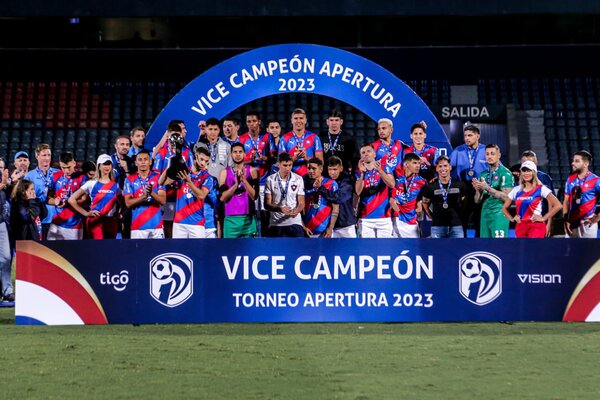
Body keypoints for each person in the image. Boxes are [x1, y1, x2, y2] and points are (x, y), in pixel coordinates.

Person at [496, 161, 562, 238]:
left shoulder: (541, 189)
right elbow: (504, 208)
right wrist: (512, 218)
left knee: (533, 249)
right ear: (521, 173)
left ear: (534, 172)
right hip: (520, 226)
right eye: (524, 171)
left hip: (536, 226)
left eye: (529, 170)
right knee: (522, 250)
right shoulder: (516, 190)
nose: (526, 173)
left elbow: (558, 205)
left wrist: (544, 218)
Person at [160, 147, 213, 239]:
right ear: (196, 156)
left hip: (197, 223)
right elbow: (162, 182)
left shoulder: (207, 177)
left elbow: (201, 195)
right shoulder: (183, 171)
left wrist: (188, 181)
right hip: (179, 222)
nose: (203, 163)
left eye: (206, 161)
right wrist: (169, 165)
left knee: (198, 252)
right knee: (178, 252)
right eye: (201, 159)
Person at [153, 124, 194, 238]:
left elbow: (191, 173)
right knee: (167, 226)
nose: (174, 139)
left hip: (183, 195)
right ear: (167, 136)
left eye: (177, 136)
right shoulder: (161, 154)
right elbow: (156, 175)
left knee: (182, 226)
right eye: (172, 136)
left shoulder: (187, 153)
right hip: (167, 195)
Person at [68, 154, 121, 239]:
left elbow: (123, 203)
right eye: (104, 164)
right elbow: (71, 199)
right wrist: (86, 213)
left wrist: (120, 213)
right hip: (95, 221)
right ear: (99, 166)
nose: (107, 166)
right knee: (98, 249)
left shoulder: (116, 186)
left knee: (110, 249)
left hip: (111, 222)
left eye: (109, 164)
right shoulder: (91, 183)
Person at [449, 123, 487, 236]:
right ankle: (462, 246)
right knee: (462, 219)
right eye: (465, 135)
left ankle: (479, 245)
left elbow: (496, 167)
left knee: (479, 220)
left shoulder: (486, 150)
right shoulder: (458, 151)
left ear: (477, 136)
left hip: (481, 189)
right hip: (464, 189)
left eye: (470, 135)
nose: (467, 138)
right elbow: (447, 167)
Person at [472, 144, 514, 238]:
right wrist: (478, 190)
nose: (489, 156)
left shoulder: (505, 173)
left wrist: (487, 188)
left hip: (499, 213)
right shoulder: (483, 174)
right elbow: (477, 200)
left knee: (499, 246)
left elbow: (508, 198)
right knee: (486, 247)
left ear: (499, 155)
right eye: (487, 154)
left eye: (492, 153)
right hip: (485, 213)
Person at [124, 150, 167, 239]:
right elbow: (128, 203)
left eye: (145, 159)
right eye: (140, 160)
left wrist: (151, 193)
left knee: (158, 253)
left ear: (150, 161)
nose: (143, 162)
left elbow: (163, 200)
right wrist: (144, 196)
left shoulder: (158, 178)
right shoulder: (129, 179)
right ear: (136, 163)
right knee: (138, 253)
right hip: (138, 226)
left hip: (157, 226)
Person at [355, 143, 395, 238]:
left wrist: (380, 171)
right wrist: (362, 174)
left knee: (385, 250)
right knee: (366, 250)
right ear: (361, 157)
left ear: (374, 154)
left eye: (369, 151)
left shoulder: (385, 167)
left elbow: (392, 184)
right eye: (363, 152)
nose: (366, 154)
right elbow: (357, 192)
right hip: (365, 219)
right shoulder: (358, 171)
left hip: (384, 218)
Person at [219, 143, 259, 238]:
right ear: (230, 154)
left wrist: (244, 180)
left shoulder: (253, 171)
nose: (237, 154)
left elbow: (254, 196)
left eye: (240, 152)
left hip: (248, 219)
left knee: (250, 252)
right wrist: (236, 184)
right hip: (230, 220)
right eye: (235, 152)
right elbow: (222, 198)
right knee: (229, 252)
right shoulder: (224, 172)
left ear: (245, 154)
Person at [421, 155, 467, 238]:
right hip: (437, 226)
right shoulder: (430, 186)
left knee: (458, 250)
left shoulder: (459, 184)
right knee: (437, 251)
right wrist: (432, 216)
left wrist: (459, 215)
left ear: (450, 167)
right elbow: (425, 204)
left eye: (445, 166)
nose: (443, 169)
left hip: (456, 226)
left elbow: (464, 202)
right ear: (436, 168)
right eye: (440, 166)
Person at [46, 152, 87, 240]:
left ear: (74, 163)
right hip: (56, 223)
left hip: (74, 225)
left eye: (69, 167)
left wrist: (67, 203)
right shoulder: (55, 176)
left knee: (73, 253)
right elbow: (48, 198)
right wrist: (55, 201)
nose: (66, 171)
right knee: (51, 252)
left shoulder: (82, 177)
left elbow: (85, 201)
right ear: (60, 165)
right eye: (63, 168)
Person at [264, 153, 305, 237]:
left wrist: (296, 211)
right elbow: (266, 204)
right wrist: (280, 209)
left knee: (298, 249)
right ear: (278, 164)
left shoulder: (298, 179)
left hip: (294, 222)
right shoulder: (270, 179)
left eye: (290, 165)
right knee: (277, 250)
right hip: (276, 223)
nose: (288, 168)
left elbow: (301, 202)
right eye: (285, 165)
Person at [24, 143, 59, 239]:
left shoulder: (58, 173)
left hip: (58, 218)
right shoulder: (29, 176)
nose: (47, 158)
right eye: (44, 155)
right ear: (37, 156)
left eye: (49, 155)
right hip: (41, 218)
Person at [563, 150, 600, 238]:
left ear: (586, 164)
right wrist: (565, 220)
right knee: (570, 251)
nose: (572, 163)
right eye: (573, 160)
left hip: (588, 224)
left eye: (576, 161)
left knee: (588, 251)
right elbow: (566, 201)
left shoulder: (596, 180)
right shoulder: (570, 179)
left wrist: (597, 217)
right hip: (571, 223)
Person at [390, 153, 427, 238]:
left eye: (419, 163)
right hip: (395, 219)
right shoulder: (395, 175)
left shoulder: (422, 182)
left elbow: (422, 202)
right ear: (406, 164)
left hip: (411, 222)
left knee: (414, 250)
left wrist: (419, 203)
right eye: (414, 163)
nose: (418, 166)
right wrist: (391, 199)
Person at [278, 108, 323, 176]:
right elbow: (280, 163)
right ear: (291, 120)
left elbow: (321, 163)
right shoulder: (284, 139)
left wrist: (306, 157)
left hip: (310, 177)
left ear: (305, 120)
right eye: (296, 118)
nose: (298, 121)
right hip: (291, 178)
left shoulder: (314, 138)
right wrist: (295, 157)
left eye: (301, 118)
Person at [520, 150, 555, 236]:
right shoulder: (517, 179)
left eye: (531, 163)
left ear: (536, 163)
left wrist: (549, 223)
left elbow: (552, 203)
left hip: (540, 222)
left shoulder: (544, 178)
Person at [303, 158, 339, 238]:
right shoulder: (303, 183)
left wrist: (330, 228)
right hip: (307, 230)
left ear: (321, 169)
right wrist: (303, 226)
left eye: (314, 168)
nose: (311, 171)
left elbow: (335, 207)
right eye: (309, 168)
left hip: (324, 230)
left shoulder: (331, 183)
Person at [319, 109, 358, 174]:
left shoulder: (349, 139)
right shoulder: (320, 137)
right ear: (327, 122)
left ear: (341, 122)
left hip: (343, 174)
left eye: (336, 120)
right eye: (331, 120)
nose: (334, 123)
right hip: (325, 173)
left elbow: (354, 158)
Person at [327, 156, 357, 238]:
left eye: (335, 169)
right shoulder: (325, 181)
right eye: (330, 169)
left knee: (351, 250)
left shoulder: (347, 181)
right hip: (330, 226)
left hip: (346, 225)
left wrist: (323, 190)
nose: (332, 173)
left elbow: (339, 198)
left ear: (341, 168)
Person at [0, 162, 13, 302]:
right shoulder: (2, 183)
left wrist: (11, 183)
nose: (0, 170)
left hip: (1, 223)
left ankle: (7, 291)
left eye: (1, 167)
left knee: (6, 257)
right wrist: (4, 183)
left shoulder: (5, 183)